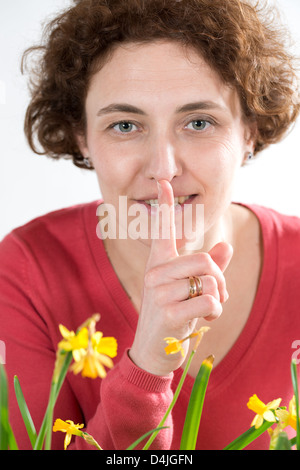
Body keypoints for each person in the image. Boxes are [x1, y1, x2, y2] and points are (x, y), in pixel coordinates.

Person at [1, 0, 300, 451]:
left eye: (199, 122)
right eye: (125, 125)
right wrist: (147, 366)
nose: (163, 168)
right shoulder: (27, 268)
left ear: (249, 132)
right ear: (83, 136)